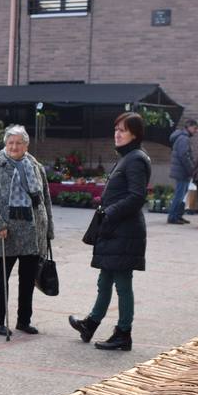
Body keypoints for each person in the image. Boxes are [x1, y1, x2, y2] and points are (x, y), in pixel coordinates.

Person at [69, 113, 151, 352]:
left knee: (122, 284)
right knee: (104, 281)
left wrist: (110, 211)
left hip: (124, 231)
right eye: (116, 129)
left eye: (123, 130)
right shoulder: (127, 157)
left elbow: (137, 196)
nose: (117, 133)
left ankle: (123, 333)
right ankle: (91, 323)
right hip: (115, 230)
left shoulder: (135, 159)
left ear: (134, 134)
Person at [0, 124, 54, 337]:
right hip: (7, 231)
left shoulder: (35, 165)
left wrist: (48, 229)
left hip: (32, 230)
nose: (14, 146)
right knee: (1, 277)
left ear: (26, 145)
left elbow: (45, 198)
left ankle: (24, 320)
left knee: (28, 278)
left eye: (19, 143)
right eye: (11, 143)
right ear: (5, 144)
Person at [166, 118, 198, 225]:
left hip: (182, 171)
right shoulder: (184, 139)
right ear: (188, 126)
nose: (196, 131)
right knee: (179, 195)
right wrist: (191, 169)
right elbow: (184, 156)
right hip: (182, 171)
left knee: (182, 195)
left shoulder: (183, 138)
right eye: (195, 128)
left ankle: (178, 215)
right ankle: (173, 217)